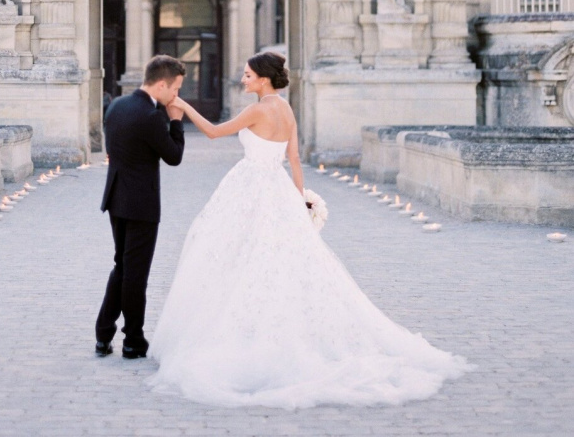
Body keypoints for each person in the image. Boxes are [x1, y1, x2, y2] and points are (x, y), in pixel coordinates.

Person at [147, 51, 470, 408]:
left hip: (252, 187)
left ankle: (248, 334)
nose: (243, 80)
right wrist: (298, 201)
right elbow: (294, 159)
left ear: (264, 79)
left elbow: (211, 133)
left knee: (237, 257)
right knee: (277, 262)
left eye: (248, 75)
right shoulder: (286, 109)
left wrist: (182, 106)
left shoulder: (258, 109)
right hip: (278, 188)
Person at [95, 54, 186, 360]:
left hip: (115, 198)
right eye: (175, 89)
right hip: (141, 205)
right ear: (161, 84)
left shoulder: (118, 105)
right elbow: (173, 156)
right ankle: (133, 340)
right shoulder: (151, 116)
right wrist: (175, 121)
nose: (176, 96)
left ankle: (103, 334)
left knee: (122, 265)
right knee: (135, 274)